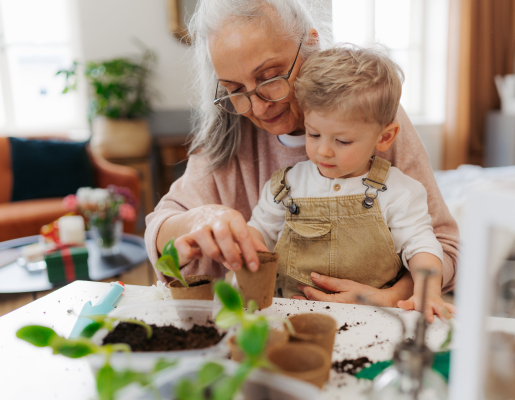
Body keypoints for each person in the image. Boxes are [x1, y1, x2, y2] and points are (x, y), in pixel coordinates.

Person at [145, 0, 459, 308]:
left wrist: (393, 296)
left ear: (310, 44)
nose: (256, 106)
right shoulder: (233, 131)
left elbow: (443, 246)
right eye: (234, 88)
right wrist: (198, 222)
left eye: (269, 76)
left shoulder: (367, 110)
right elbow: (161, 231)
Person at [245, 46, 454, 321]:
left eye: (342, 141)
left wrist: (427, 290)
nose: (323, 151)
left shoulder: (400, 192)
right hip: (291, 317)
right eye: (313, 134)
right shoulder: (286, 187)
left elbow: (422, 246)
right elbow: (257, 234)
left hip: (376, 319)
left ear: (385, 137)